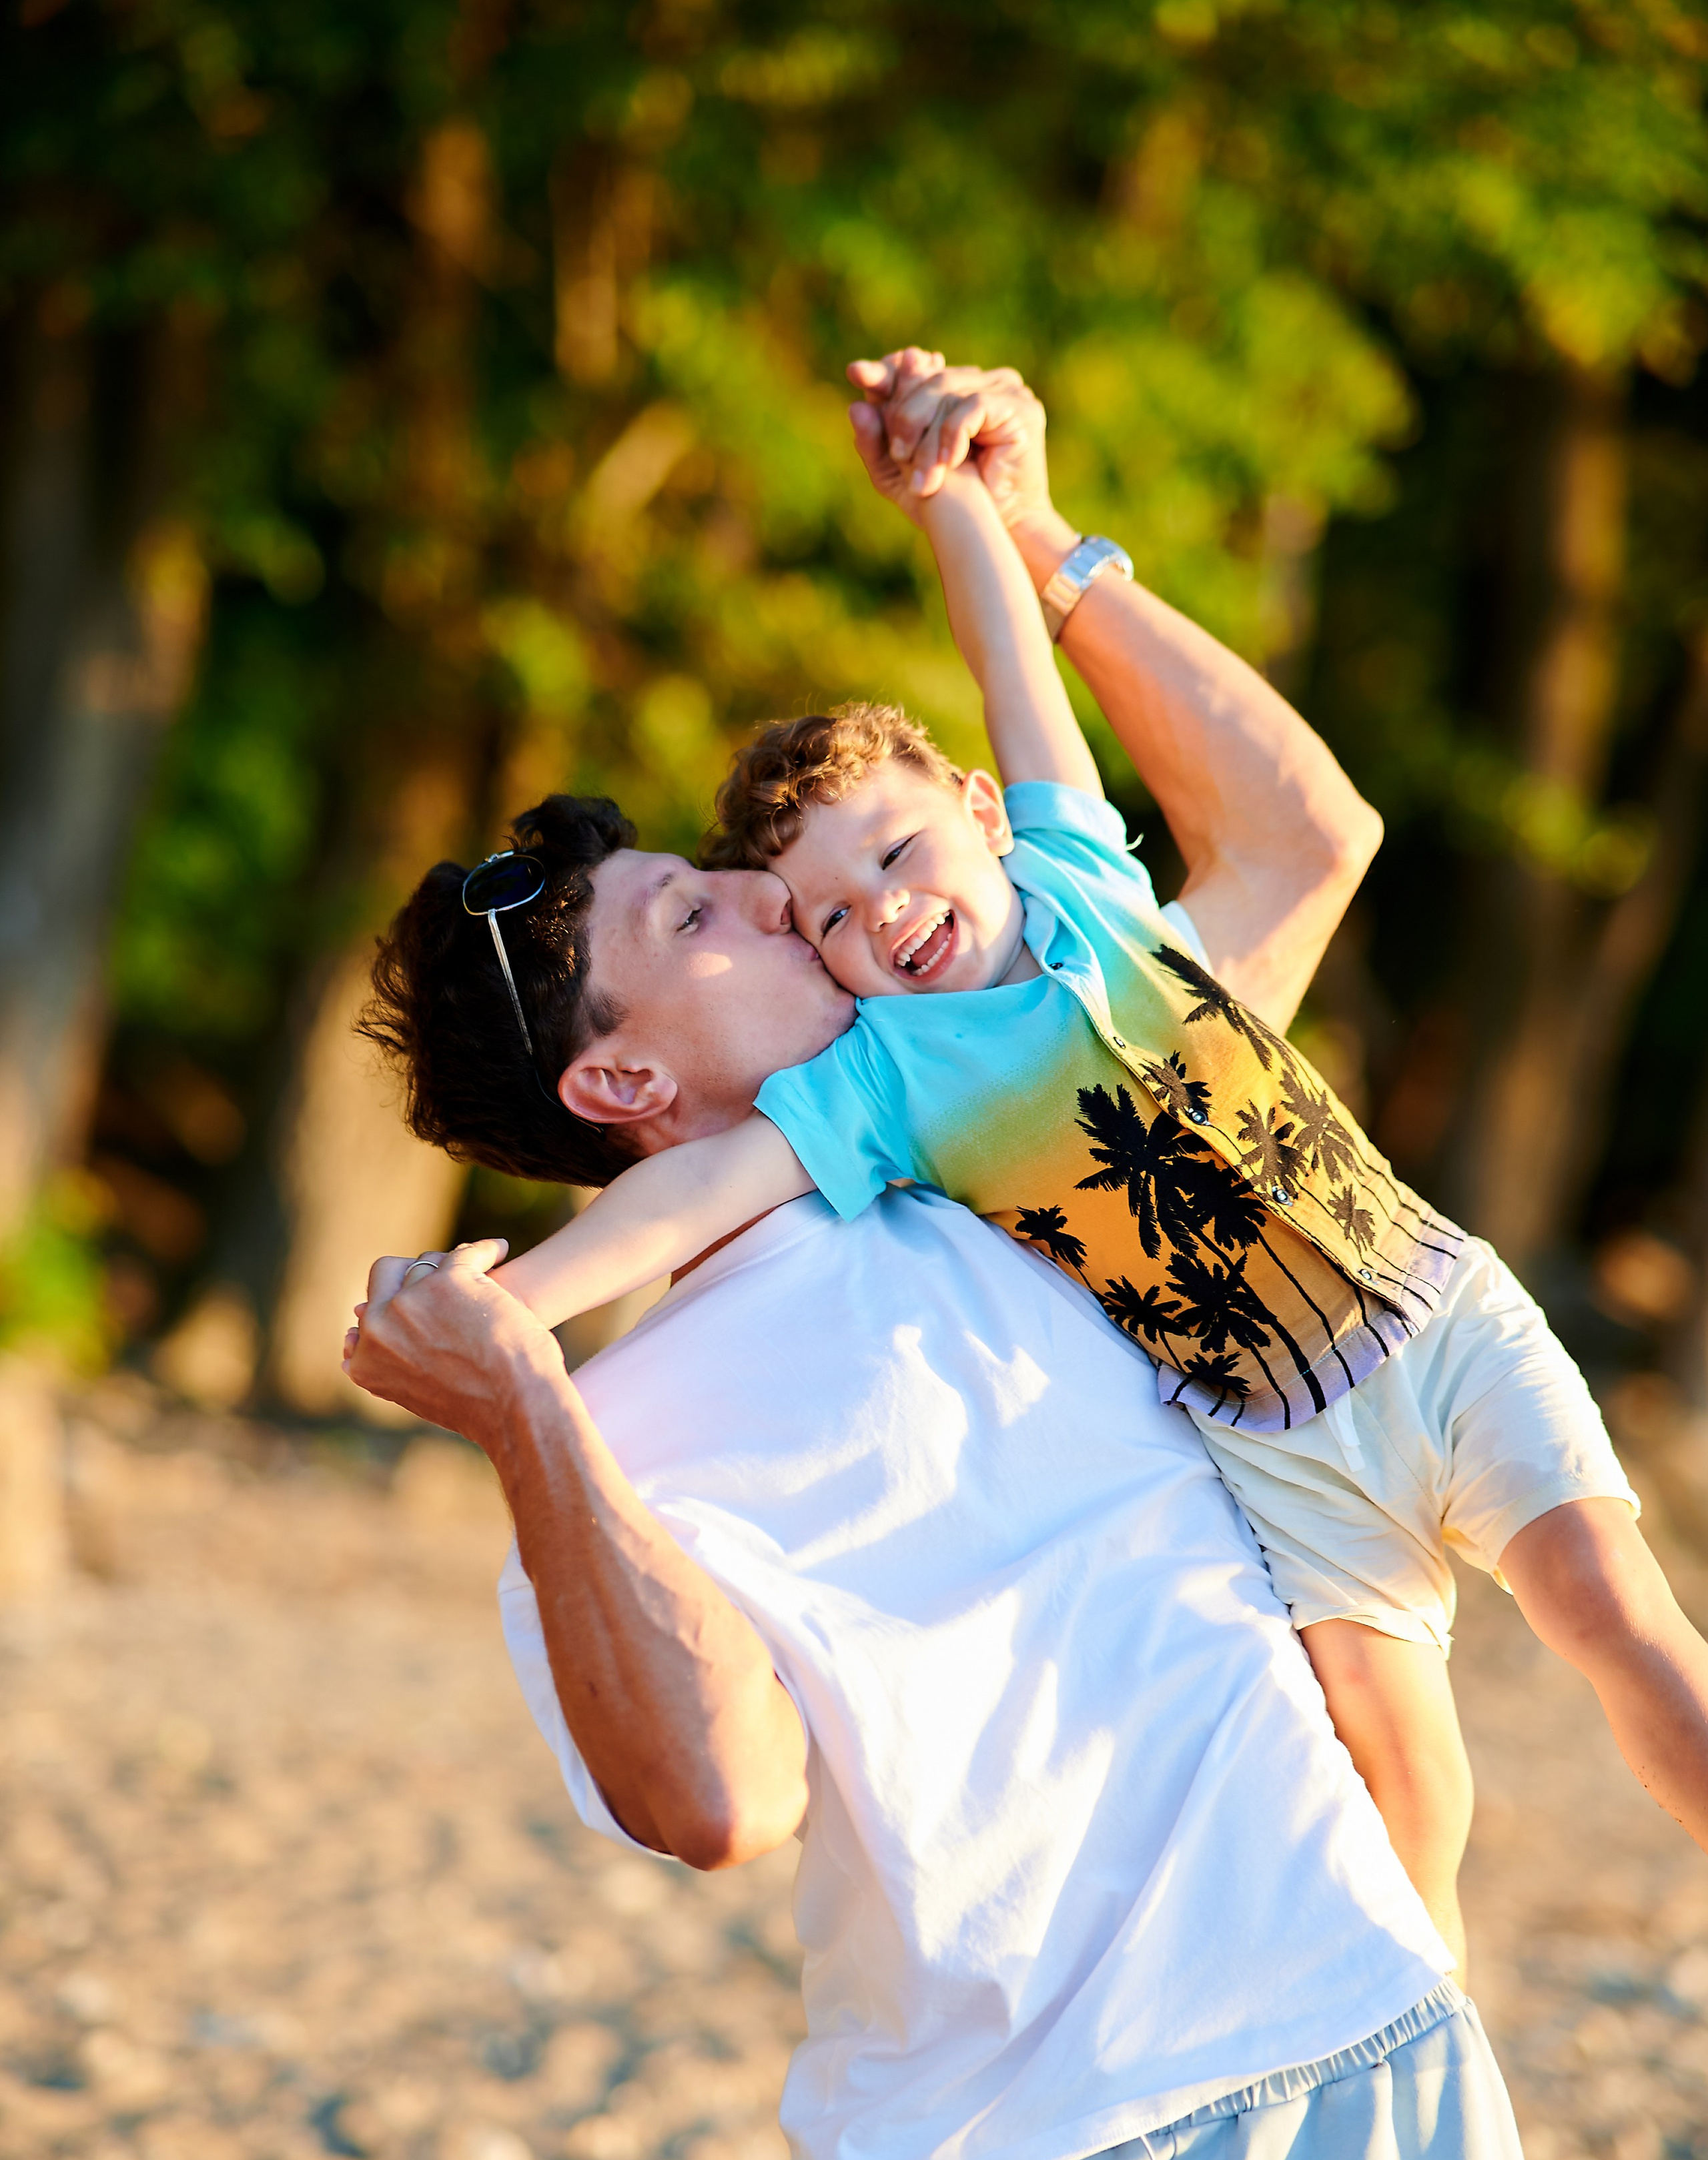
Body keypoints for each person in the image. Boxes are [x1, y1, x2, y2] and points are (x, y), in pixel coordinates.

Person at [344, 355, 1623, 2160]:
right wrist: (527, 1409)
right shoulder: (618, 1425)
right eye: (697, 920)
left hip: (1357, 2077)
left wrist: (1029, 531)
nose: (773, 900)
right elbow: (716, 1801)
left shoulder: (1036, 1127)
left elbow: (1306, 840)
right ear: (625, 1090)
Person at [399, 364, 1708, 1991]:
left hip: (1427, 1321)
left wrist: (963, 498)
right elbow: (688, 1195)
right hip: (1276, 1447)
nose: (874, 912)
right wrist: (510, 1309)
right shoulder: (881, 1085)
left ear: (978, 811)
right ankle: (1429, 2052)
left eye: (893, 857)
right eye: (818, 918)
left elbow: (1029, 679)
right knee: (1403, 1789)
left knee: (1611, 1616)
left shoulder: (1086, 887)